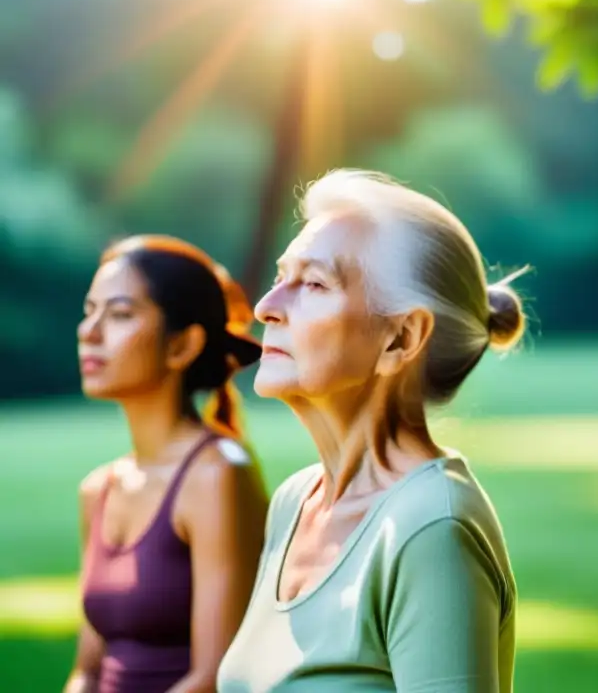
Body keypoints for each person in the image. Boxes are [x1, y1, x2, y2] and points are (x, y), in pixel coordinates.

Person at [216, 170, 525, 693]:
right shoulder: (294, 502)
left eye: (313, 283)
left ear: (401, 338)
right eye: (280, 277)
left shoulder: (432, 528)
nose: (266, 308)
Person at [65, 235, 269, 693]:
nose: (88, 331)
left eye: (118, 315)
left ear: (182, 345)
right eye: (89, 310)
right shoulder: (98, 489)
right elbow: (88, 669)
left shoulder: (218, 474)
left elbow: (215, 676)